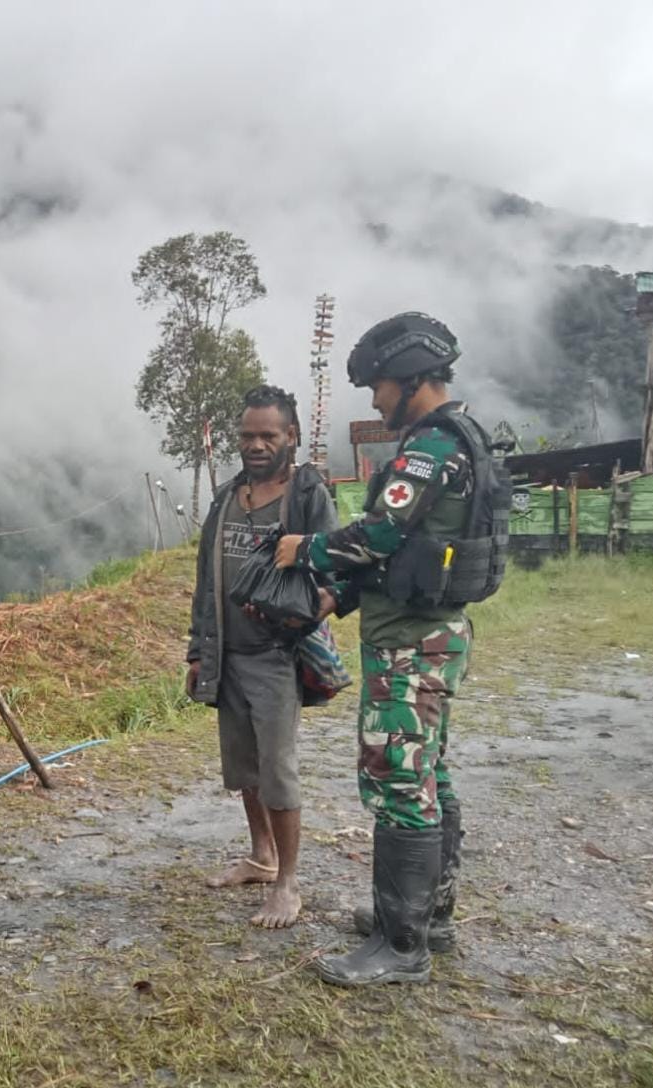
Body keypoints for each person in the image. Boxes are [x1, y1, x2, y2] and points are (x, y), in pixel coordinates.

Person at [276, 312, 508, 984]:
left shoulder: (430, 448)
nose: (375, 399)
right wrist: (338, 597)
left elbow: (379, 535)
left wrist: (307, 550)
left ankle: (400, 945)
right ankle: (426, 918)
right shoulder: (457, 438)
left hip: (410, 641)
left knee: (399, 778)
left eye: (379, 386)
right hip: (428, 630)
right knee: (427, 771)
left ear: (410, 379)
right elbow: (403, 551)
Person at [187, 385, 337, 929]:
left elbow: (339, 566)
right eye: (247, 435)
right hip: (226, 654)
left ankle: (288, 883)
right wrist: (197, 651)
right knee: (244, 766)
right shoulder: (226, 498)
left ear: (290, 437)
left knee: (277, 770)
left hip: (277, 655)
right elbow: (207, 580)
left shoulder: (306, 495)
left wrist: (311, 611)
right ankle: (261, 856)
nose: (255, 444)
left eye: (267, 435)